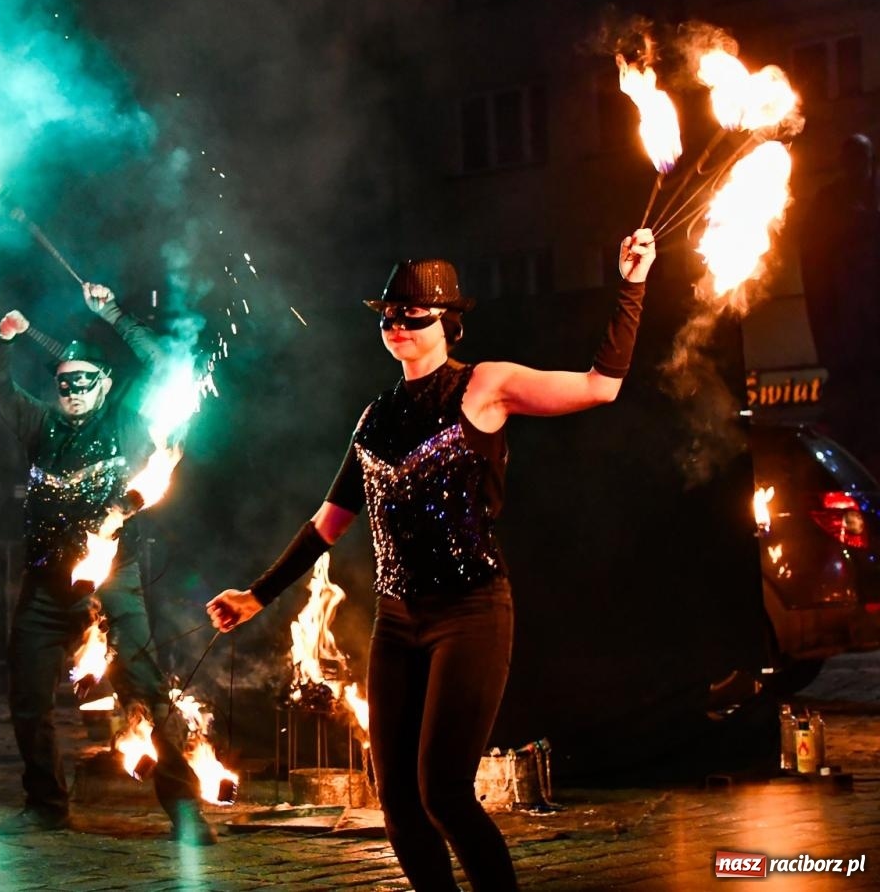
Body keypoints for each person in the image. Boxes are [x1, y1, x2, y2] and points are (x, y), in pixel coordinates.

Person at [207, 230, 657, 892]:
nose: (397, 326)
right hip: (396, 622)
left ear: (448, 321)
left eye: (412, 315)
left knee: (443, 793)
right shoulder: (375, 418)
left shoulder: (486, 385)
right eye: (388, 316)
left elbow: (601, 387)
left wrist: (632, 285)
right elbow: (327, 524)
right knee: (398, 803)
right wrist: (257, 595)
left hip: (470, 611)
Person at [0, 281, 216, 845]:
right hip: (45, 587)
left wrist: (112, 312)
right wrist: (4, 339)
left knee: (147, 690)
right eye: (65, 382)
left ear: (106, 383)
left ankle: (185, 810)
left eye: (85, 380)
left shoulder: (126, 423)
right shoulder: (39, 424)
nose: (74, 390)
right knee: (28, 696)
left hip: (113, 584)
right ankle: (46, 806)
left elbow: (163, 366)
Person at [797, 133, 880, 474]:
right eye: (851, 161)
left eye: (863, 160)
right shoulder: (829, 201)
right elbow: (814, 249)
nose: (857, 168)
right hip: (846, 302)